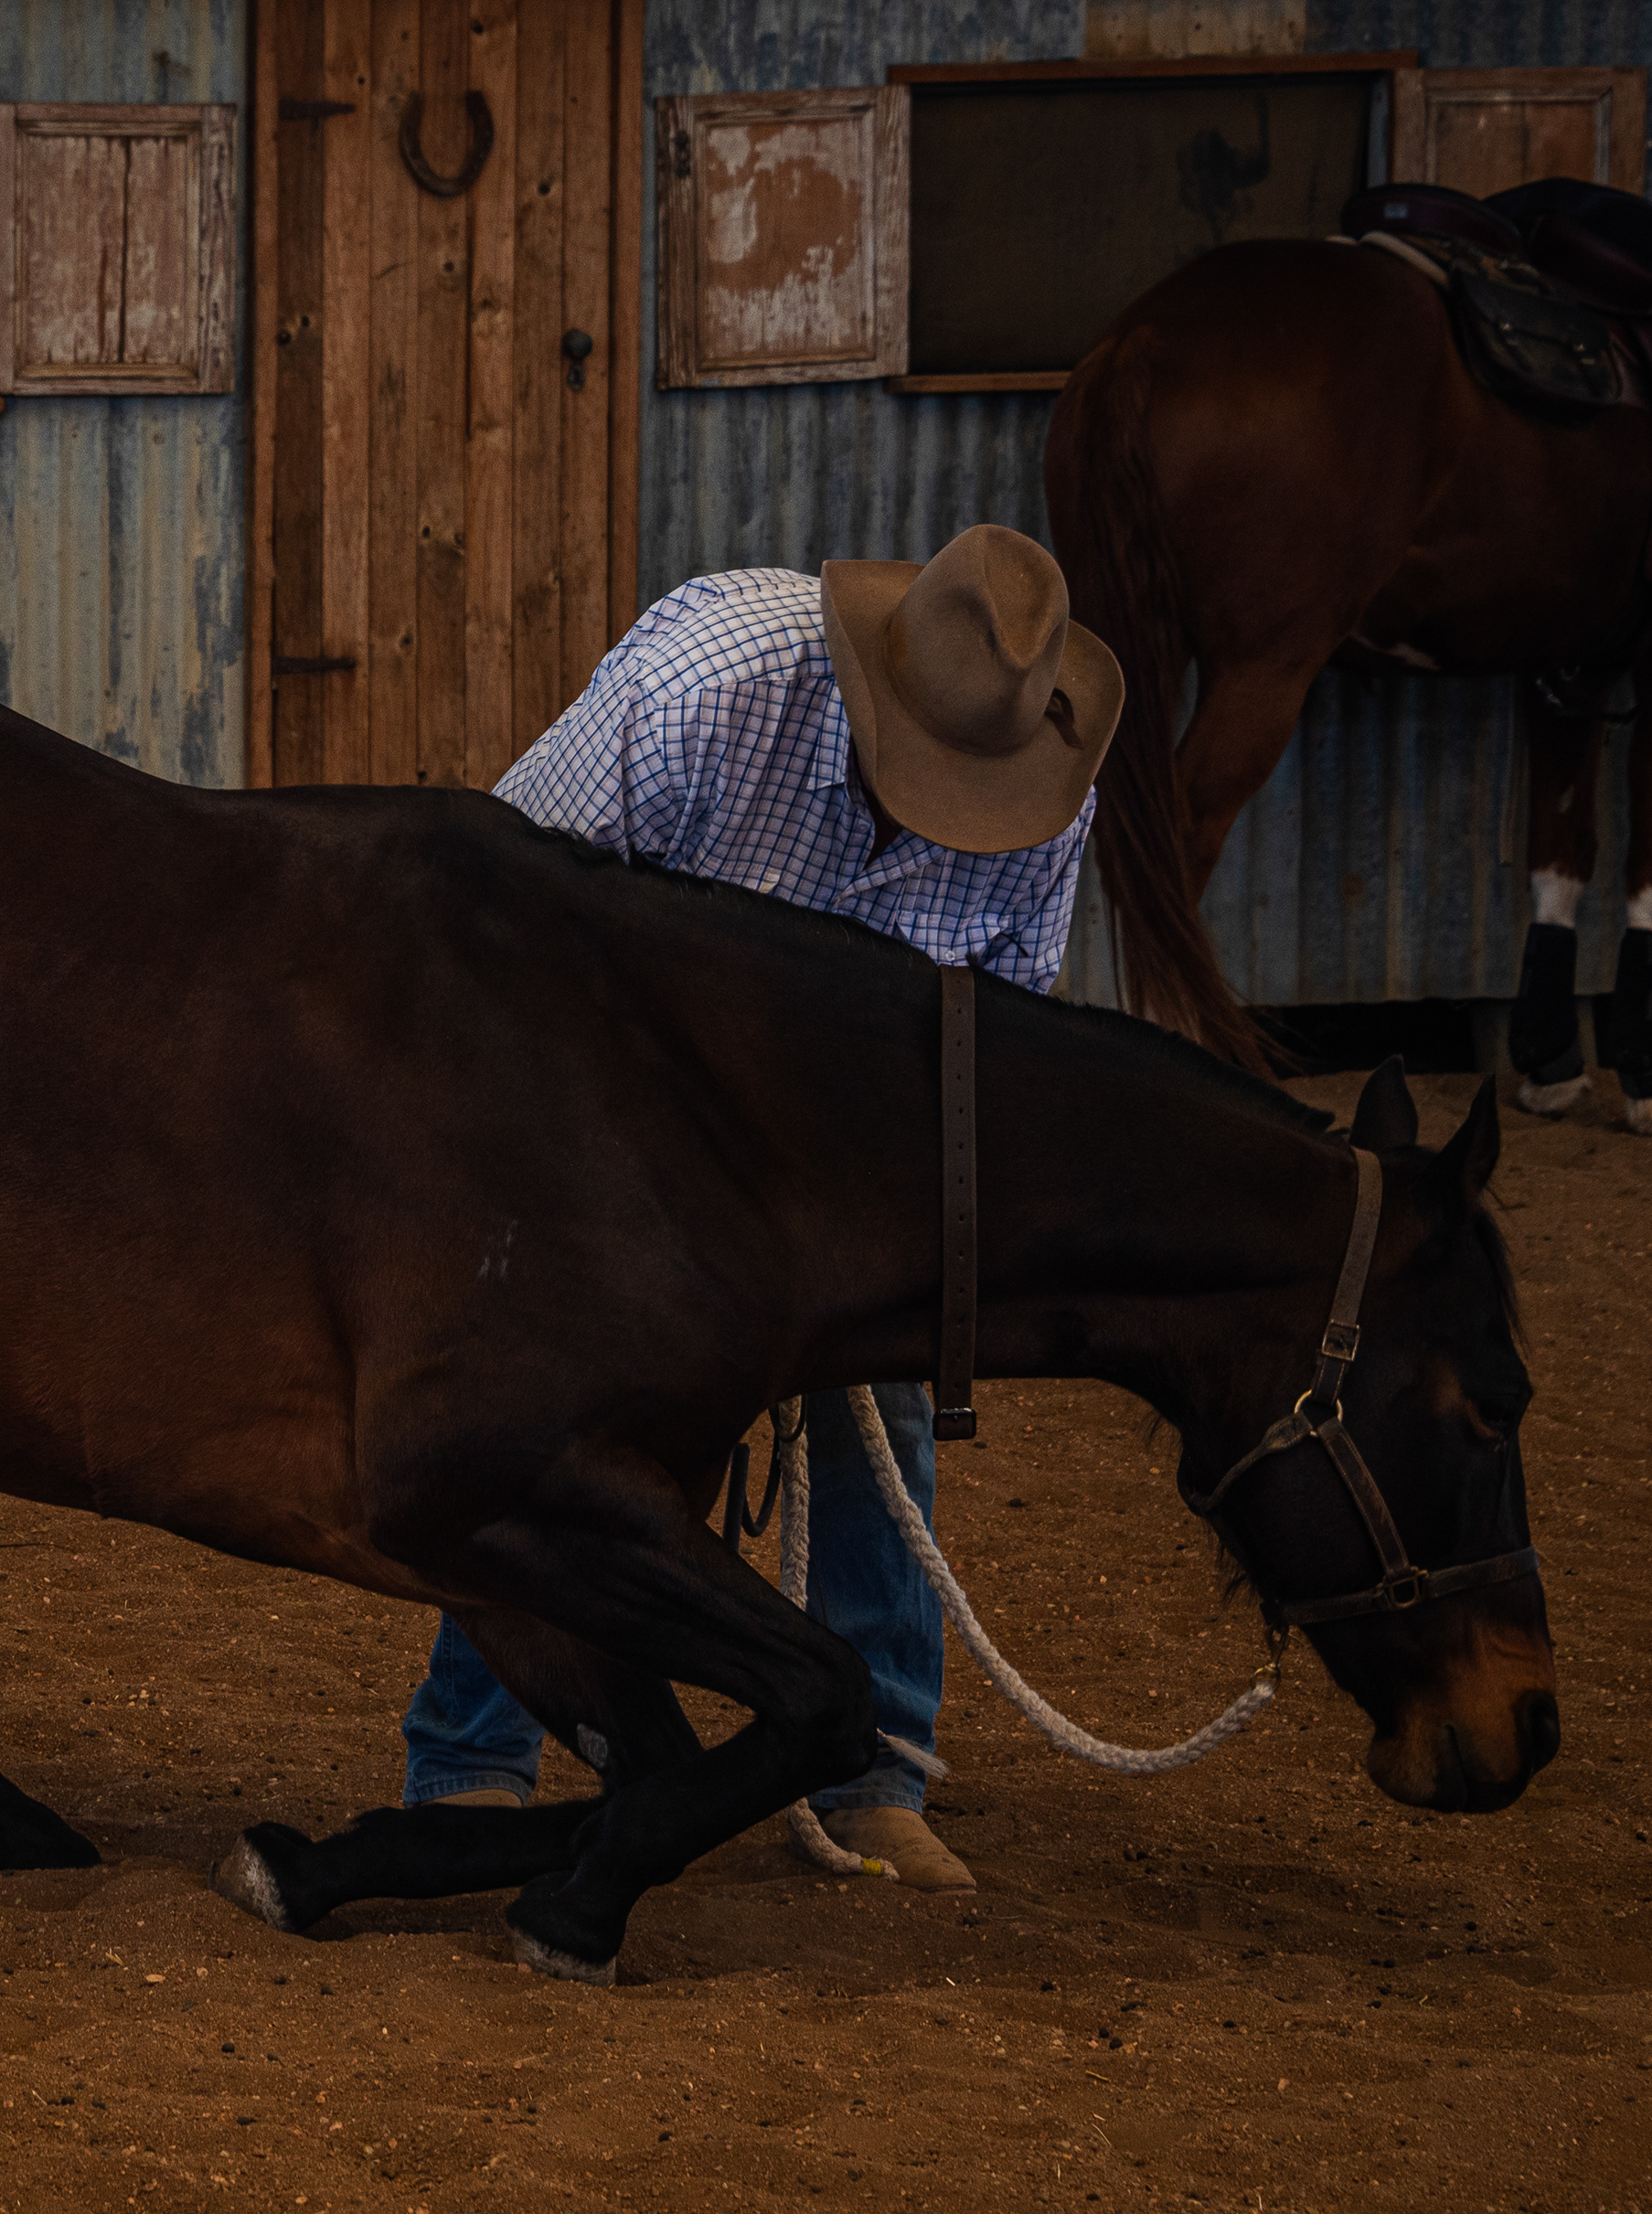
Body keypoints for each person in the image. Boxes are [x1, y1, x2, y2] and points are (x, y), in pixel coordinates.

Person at [397, 522, 1124, 1893]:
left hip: (844, 1147)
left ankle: (877, 1768)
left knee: (886, 1393)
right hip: (612, 1105)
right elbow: (497, 913)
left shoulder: (1050, 783)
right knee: (548, 1420)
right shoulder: (702, 689)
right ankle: (472, 1757)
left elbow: (998, 1040)